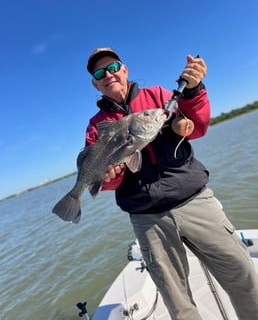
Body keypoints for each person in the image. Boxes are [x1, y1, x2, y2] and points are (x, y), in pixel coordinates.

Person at [85, 47, 258, 320]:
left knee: (243, 275)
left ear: (125, 69)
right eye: (99, 73)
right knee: (178, 303)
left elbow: (197, 125)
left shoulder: (158, 96)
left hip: (195, 201)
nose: (108, 74)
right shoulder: (96, 126)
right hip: (148, 219)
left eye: (113, 67)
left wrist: (193, 90)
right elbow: (106, 182)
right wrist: (111, 174)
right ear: (95, 83)